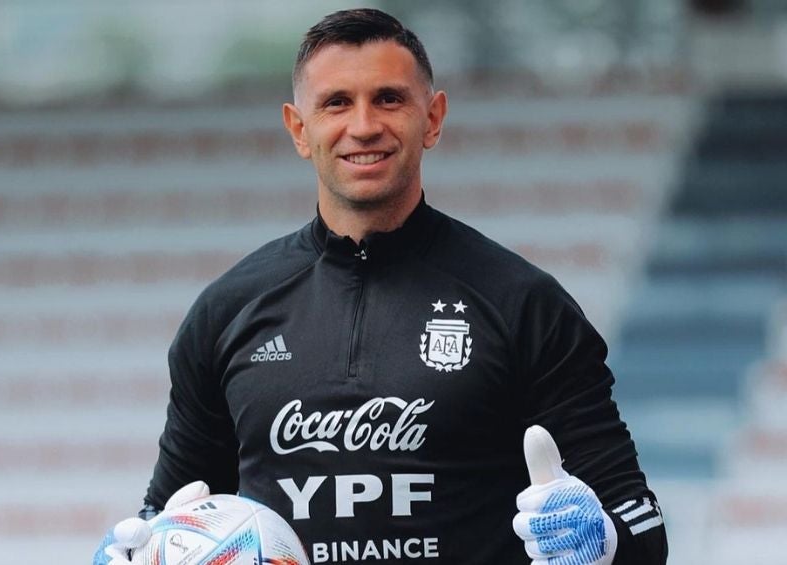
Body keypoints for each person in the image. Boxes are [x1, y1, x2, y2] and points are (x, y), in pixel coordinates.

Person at [94, 8, 668, 565]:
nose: (364, 126)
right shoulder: (226, 312)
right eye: (337, 103)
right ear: (299, 128)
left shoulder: (525, 305)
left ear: (433, 118)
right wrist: (137, 549)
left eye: (389, 98)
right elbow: (169, 513)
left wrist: (604, 542)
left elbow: (642, 525)